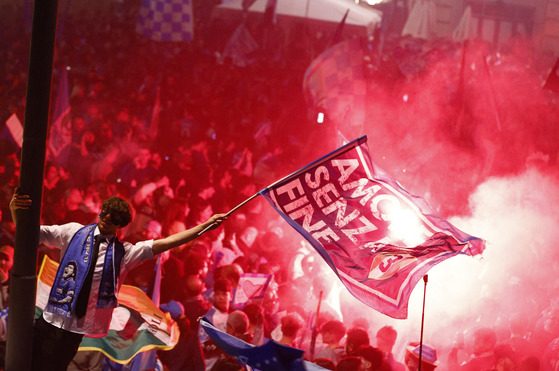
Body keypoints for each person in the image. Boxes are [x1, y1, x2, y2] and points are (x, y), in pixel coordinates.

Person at [10, 189, 226, 371]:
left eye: (113, 217)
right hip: (49, 320)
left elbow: (167, 242)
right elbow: (28, 235)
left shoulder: (125, 253)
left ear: (120, 224)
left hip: (74, 331)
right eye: (105, 212)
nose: (105, 218)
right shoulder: (73, 231)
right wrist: (14, 210)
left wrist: (204, 226)